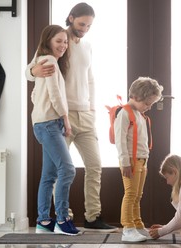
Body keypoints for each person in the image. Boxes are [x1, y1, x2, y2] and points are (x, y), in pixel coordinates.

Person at [26, 3, 117, 232]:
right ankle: (62, 217)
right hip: (58, 117)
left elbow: (90, 79)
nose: (85, 29)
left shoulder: (87, 46)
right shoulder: (57, 40)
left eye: (89, 25)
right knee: (60, 169)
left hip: (85, 115)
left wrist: (92, 109)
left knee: (94, 165)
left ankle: (92, 216)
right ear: (71, 18)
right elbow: (30, 70)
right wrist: (33, 72)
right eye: (81, 24)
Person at [31, 25, 79, 235]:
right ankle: (61, 219)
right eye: (58, 41)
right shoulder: (49, 60)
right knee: (68, 169)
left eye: (65, 42)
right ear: (48, 40)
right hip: (50, 123)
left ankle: (43, 222)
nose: (63, 45)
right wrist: (66, 119)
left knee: (49, 175)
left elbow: (36, 93)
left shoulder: (46, 60)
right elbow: (55, 94)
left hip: (44, 123)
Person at [115, 77, 163, 242]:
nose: (149, 107)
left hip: (142, 160)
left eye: (151, 104)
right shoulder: (124, 113)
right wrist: (125, 162)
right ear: (135, 97)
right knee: (130, 194)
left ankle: (137, 224)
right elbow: (120, 140)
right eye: (147, 104)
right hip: (130, 161)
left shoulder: (139, 114)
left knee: (137, 195)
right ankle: (127, 228)